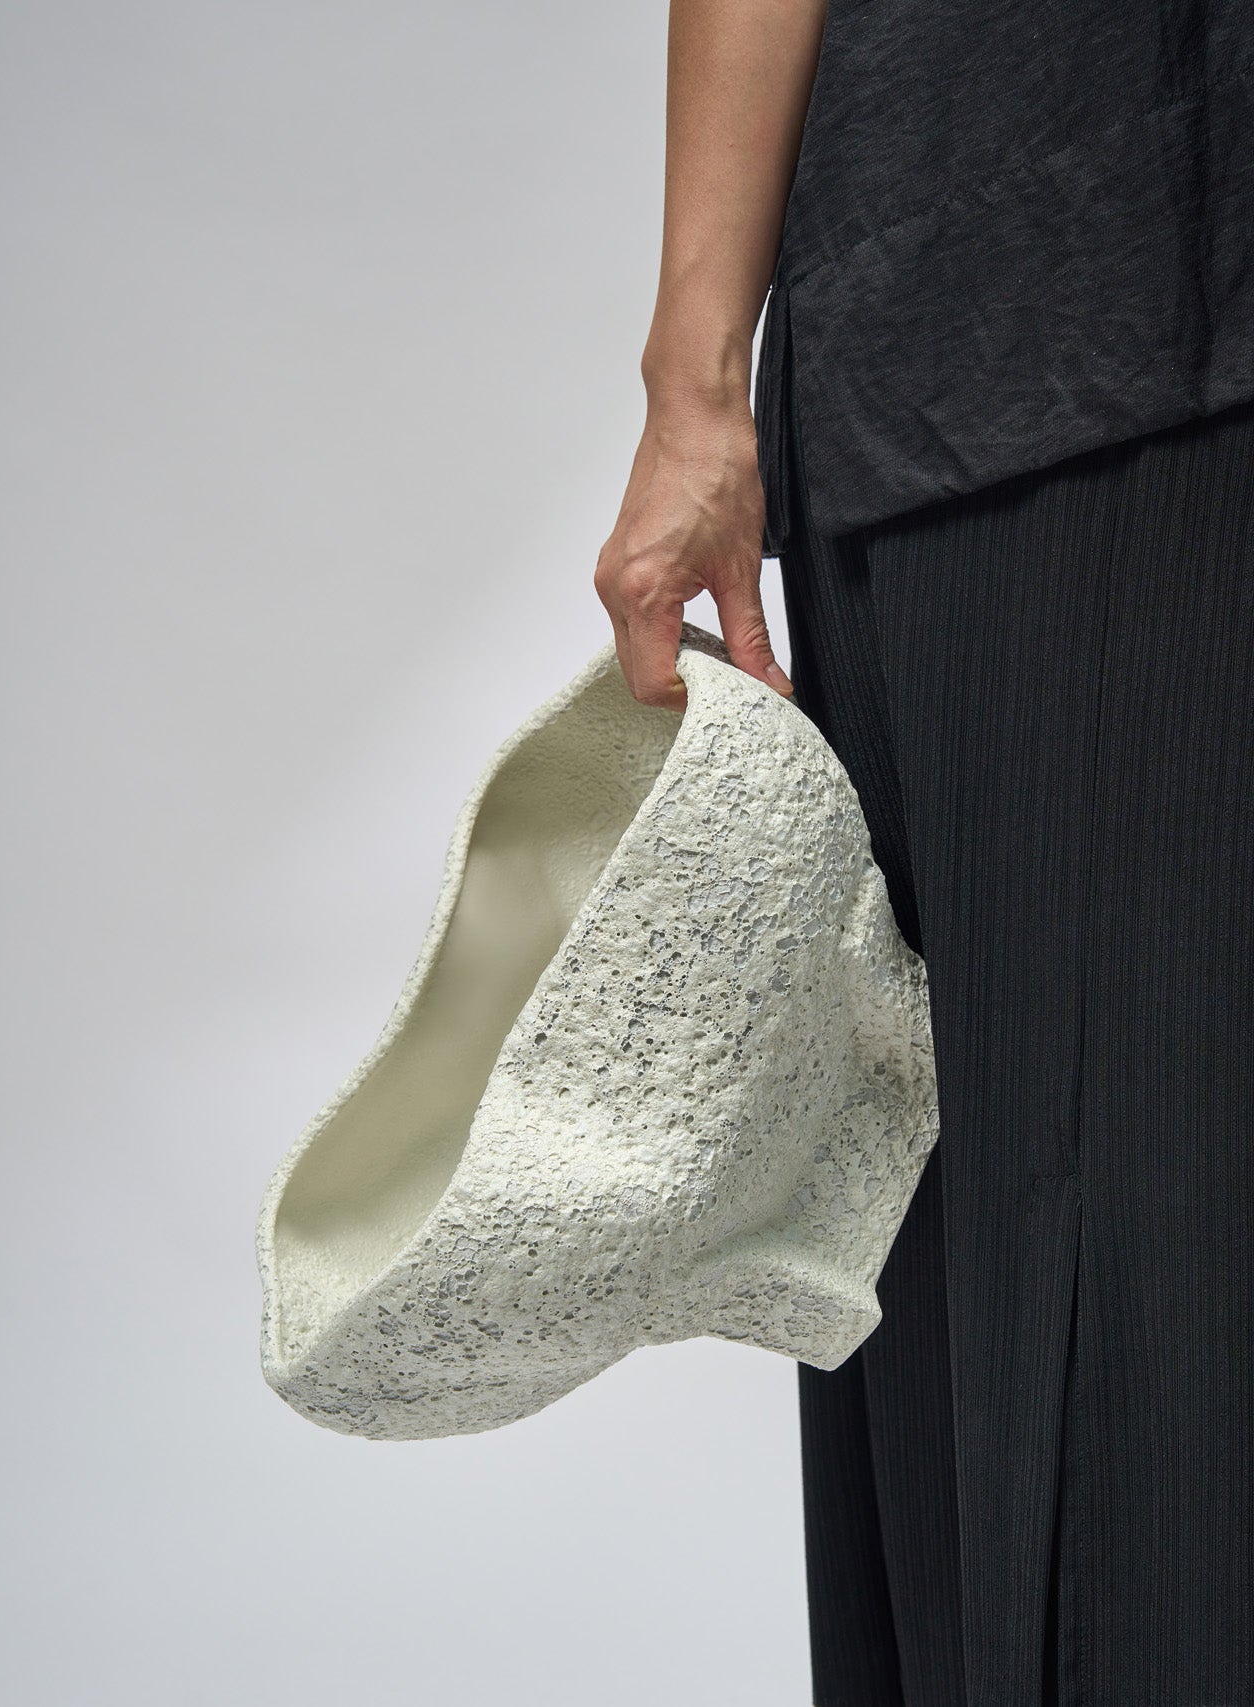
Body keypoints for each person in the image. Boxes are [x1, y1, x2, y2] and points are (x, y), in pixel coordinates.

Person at [593, 3, 1254, 1703]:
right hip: (1066, 307)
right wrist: (690, 390)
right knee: (1078, 1300)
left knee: (1052, 1278)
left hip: (1028, 310)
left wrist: (698, 391)